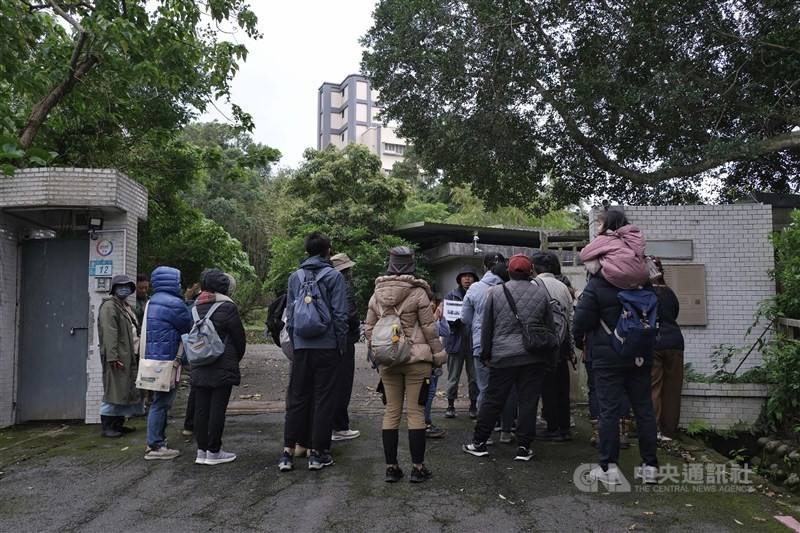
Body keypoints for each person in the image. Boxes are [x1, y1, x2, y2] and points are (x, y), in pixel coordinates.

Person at [573, 212, 659, 486]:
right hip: (640, 352)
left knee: (609, 410)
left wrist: (579, 339)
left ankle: (609, 468)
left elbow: (583, 319)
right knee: (643, 409)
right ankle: (650, 468)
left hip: (607, 353)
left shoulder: (597, 284)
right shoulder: (644, 280)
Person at [364, 246, 446, 483]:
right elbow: (430, 331)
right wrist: (438, 357)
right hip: (416, 361)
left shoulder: (376, 293)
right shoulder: (419, 293)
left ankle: (391, 468)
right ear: (411, 265)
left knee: (391, 412)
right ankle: (418, 468)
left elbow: (369, 329)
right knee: (415, 413)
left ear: (390, 265)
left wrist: (383, 349)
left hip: (388, 362)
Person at [463, 254, 556, 462]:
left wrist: (486, 354)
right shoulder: (541, 293)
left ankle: (479, 443)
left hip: (503, 356)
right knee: (528, 402)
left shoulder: (495, 293)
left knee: (493, 399)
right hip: (533, 357)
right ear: (530, 271)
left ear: (509, 272)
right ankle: (524, 447)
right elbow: (549, 327)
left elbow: (487, 327)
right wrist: (549, 356)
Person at [278, 232, 349, 472]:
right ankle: (317, 453)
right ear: (327, 251)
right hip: (326, 346)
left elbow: (288, 314)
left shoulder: (294, 277)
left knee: (297, 397)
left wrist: (296, 341)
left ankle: (287, 452)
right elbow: (340, 315)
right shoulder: (334, 276)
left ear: (307, 251)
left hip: (302, 347)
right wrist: (340, 344)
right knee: (323, 399)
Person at [191, 269, 247, 465]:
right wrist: (234, 358)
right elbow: (240, 338)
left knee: (201, 408)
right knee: (217, 408)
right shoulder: (227, 307)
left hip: (199, 361)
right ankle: (214, 451)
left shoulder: (195, 307)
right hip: (222, 362)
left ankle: (201, 451)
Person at [143, 266, 193, 461]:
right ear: (172, 282)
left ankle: (155, 442)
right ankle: (155, 445)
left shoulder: (152, 301)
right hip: (167, 360)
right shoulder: (174, 304)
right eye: (178, 280)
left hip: (154, 358)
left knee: (157, 402)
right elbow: (187, 325)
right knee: (161, 404)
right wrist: (188, 300)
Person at [533, 252, 575, 442]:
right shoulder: (563, 287)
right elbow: (571, 317)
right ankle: (564, 427)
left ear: (535, 267)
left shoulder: (534, 286)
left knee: (547, 387)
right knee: (562, 387)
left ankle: (552, 427)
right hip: (563, 342)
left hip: (545, 344)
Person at [97, 275, 143, 438]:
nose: (124, 289)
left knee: (123, 391)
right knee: (113, 391)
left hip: (127, 355)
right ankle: (108, 426)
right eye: (120, 286)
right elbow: (110, 333)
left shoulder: (124, 306)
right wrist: (112, 357)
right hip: (117, 357)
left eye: (127, 286)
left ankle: (118, 424)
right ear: (114, 289)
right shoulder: (110, 307)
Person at [461, 253, 507, 409]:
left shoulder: (474, 288)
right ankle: (506, 423)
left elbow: (465, 318)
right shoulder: (508, 286)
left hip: (480, 343)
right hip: (505, 345)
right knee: (505, 387)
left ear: (485, 267)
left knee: (484, 387)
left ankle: (485, 423)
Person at [648, 257, 684, 441]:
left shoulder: (645, 294)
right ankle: (669, 431)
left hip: (654, 341)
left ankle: (653, 429)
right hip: (675, 342)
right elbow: (675, 314)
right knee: (672, 389)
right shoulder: (669, 293)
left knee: (654, 386)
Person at [441, 267, 480, 420]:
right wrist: (453, 322)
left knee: (474, 377)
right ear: (459, 279)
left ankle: (473, 405)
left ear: (474, 279)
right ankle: (450, 405)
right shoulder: (451, 295)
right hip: (455, 341)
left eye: (470, 276)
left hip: (473, 341)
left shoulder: (478, 294)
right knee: (453, 377)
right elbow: (445, 320)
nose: (467, 279)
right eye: (464, 277)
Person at [330, 253, 361, 442]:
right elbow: (349, 315)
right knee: (343, 384)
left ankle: (330, 424)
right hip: (344, 341)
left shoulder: (325, 283)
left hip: (326, 341)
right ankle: (340, 426)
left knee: (330, 384)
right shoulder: (344, 285)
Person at [579, 208, 649, 290]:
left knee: (590, 261)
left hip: (619, 276)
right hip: (641, 277)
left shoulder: (605, 238)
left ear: (608, 225)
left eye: (599, 225)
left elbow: (584, 255)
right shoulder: (633, 237)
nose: (597, 228)